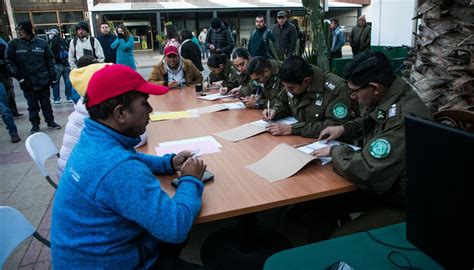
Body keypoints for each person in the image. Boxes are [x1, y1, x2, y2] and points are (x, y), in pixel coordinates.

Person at [51, 64, 209, 269]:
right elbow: (175, 227)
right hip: (111, 263)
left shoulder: (93, 139)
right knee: (182, 228)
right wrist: (190, 179)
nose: (151, 111)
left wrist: (168, 163)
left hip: (89, 255)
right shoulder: (119, 168)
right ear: (120, 114)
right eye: (145, 104)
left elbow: (129, 157)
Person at [308, 51, 432, 237]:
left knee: (339, 238)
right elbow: (374, 120)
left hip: (403, 202)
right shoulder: (391, 95)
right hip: (387, 187)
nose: (352, 97)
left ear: (374, 87)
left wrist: (336, 150)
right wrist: (344, 129)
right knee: (317, 206)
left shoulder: (402, 118)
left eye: (354, 92)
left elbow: (368, 171)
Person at [262, 55, 351, 138]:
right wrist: (275, 111)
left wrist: (294, 129)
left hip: (326, 143)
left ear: (306, 81)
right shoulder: (292, 83)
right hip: (298, 138)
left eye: (291, 88)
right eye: (284, 86)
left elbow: (334, 125)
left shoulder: (336, 89)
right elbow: (283, 102)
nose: (287, 90)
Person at [6, 21, 61, 134]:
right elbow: (9, 62)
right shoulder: (14, 44)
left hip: (42, 80)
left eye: (22, 31)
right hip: (27, 81)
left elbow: (49, 60)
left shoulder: (41, 43)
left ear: (28, 30)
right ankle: (35, 125)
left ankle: (50, 121)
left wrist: (53, 77)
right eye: (19, 31)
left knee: (46, 103)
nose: (20, 33)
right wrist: (19, 77)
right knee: (32, 105)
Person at [0, 37, 20, 143]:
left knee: (5, 110)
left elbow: (8, 61)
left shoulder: (1, 45)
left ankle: (13, 132)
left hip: (1, 81)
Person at [48, 29, 73, 104]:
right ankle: (69, 97)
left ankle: (56, 98)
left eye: (50, 34)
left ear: (53, 34)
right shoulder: (64, 40)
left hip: (56, 64)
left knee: (56, 82)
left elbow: (49, 53)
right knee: (68, 81)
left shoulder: (51, 42)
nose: (50, 35)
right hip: (66, 63)